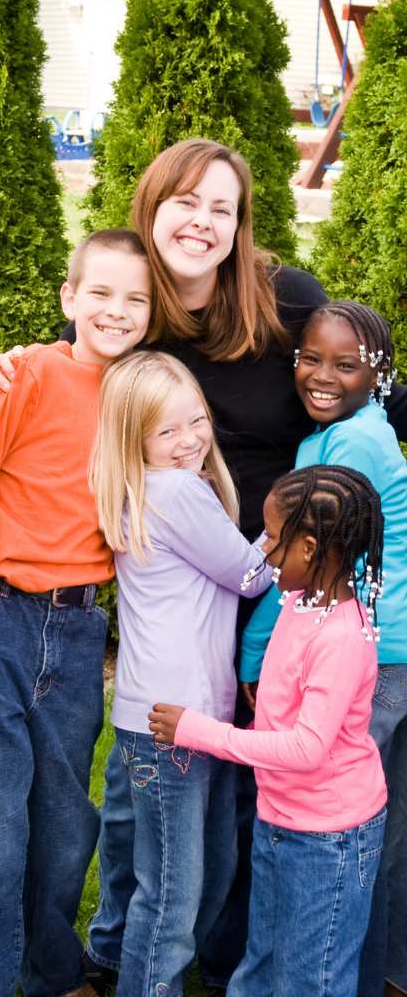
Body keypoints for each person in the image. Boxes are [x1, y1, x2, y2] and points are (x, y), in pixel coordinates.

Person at [0, 138, 407, 989]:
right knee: (164, 806)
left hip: (286, 590)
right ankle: (133, 952)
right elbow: (63, 387)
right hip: (181, 599)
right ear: (151, 207)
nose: (202, 222)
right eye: (185, 202)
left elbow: (354, 387)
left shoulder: (284, 303)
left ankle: (233, 952)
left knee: (256, 796)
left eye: (223, 207)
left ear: (243, 224)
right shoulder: (128, 309)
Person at [0, 229, 153, 997]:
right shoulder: (23, 374)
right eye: (100, 293)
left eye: (135, 299)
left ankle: (50, 973)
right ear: (68, 298)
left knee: (64, 821)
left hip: (82, 625)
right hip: (2, 622)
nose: (115, 311)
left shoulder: (140, 396)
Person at [151, 464, 389, 997]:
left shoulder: (342, 637)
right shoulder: (301, 601)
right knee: (262, 963)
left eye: (273, 539)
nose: (261, 551)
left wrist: (200, 731)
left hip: (329, 838)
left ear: (308, 549)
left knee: (311, 978)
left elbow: (306, 749)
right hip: (279, 820)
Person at [86, 351, 273, 997]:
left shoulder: (145, 488)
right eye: (167, 432)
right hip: (174, 725)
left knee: (204, 869)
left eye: (196, 420)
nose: (191, 439)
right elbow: (249, 573)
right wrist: (291, 531)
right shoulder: (177, 491)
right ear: (135, 441)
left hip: (184, 718)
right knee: (170, 896)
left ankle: (123, 968)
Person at [238, 301, 407, 997]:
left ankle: (331, 973)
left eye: (347, 363)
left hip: (369, 653)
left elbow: (299, 570)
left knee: (337, 831)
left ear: (382, 377)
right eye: (311, 357)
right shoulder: (338, 434)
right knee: (375, 830)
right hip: (376, 646)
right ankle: (376, 973)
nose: (322, 374)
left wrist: (253, 654)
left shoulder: (353, 446)